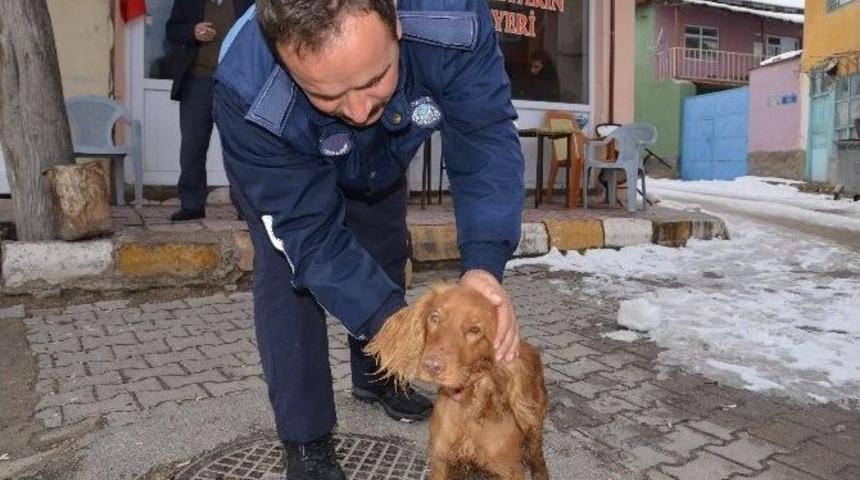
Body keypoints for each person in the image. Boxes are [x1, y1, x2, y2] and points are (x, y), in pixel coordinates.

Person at [213, 1, 524, 478]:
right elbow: (310, 236)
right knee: (290, 274)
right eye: (328, 95)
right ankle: (306, 437)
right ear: (282, 56)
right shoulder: (248, 87)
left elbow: (483, 134)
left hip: (386, 154)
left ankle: (379, 379)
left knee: (383, 242)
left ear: (396, 20)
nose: (359, 112)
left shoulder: (452, 21)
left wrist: (484, 262)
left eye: (374, 78)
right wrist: (399, 329)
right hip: (293, 165)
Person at [166, 0, 253, 222]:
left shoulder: (247, 2)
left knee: (240, 147)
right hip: (197, 81)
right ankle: (192, 205)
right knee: (192, 147)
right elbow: (172, 29)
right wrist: (192, 31)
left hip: (235, 82)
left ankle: (245, 206)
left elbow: (260, 31)